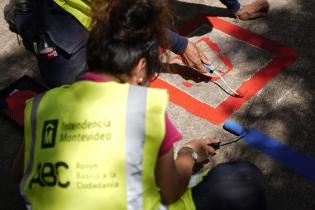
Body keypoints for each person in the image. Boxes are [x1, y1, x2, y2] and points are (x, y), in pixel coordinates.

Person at [12, 0, 266, 209]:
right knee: (243, 181)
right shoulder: (145, 109)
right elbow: (169, 192)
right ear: (141, 67)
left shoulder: (41, 104)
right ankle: (26, 16)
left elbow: (18, 172)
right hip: (56, 11)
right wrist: (189, 153)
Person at [3, 0, 210, 87]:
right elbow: (125, 15)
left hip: (94, 6)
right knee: (71, 88)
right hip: (54, 9)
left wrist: (234, 6)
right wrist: (180, 44)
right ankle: (21, 14)